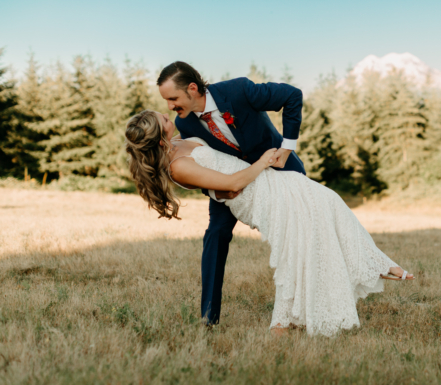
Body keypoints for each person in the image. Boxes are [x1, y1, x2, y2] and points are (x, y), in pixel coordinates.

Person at [125, 109, 414, 337]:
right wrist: (264, 161)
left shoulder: (178, 141)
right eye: (162, 119)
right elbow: (232, 183)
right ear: (159, 135)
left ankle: (372, 263)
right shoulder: (178, 165)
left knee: (327, 204)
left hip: (268, 182)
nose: (168, 115)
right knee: (298, 241)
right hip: (258, 195)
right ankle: (283, 323)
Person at [155, 61, 306, 326]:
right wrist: (216, 191)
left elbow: (292, 95)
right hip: (228, 186)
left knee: (300, 235)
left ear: (192, 88)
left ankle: (298, 307)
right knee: (216, 234)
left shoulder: (239, 90)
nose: (170, 106)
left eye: (173, 98)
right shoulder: (185, 123)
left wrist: (288, 147)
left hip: (280, 171)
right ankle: (208, 317)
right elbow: (197, 166)